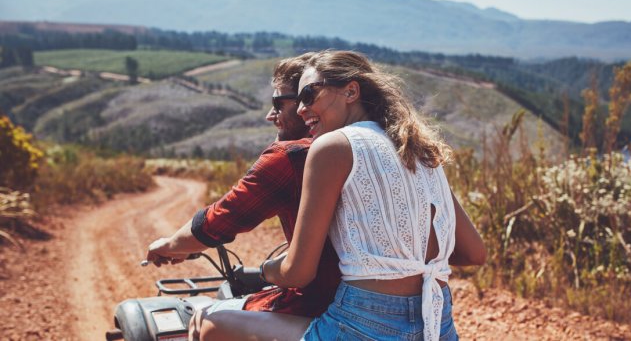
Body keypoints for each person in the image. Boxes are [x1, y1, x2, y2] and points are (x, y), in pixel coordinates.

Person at [196, 50, 486, 340]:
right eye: (297, 101)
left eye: (309, 95)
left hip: (362, 325)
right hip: (438, 324)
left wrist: (262, 272)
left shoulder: (332, 147)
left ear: (351, 91)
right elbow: (474, 252)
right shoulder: (418, 150)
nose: (300, 109)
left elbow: (298, 273)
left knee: (211, 322)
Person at [145, 53, 341, 335]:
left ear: (307, 102)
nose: (269, 115)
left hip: (319, 304)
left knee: (203, 321)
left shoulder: (290, 157)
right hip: (394, 307)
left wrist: (170, 245)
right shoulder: (371, 145)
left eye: (278, 103)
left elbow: (219, 220)